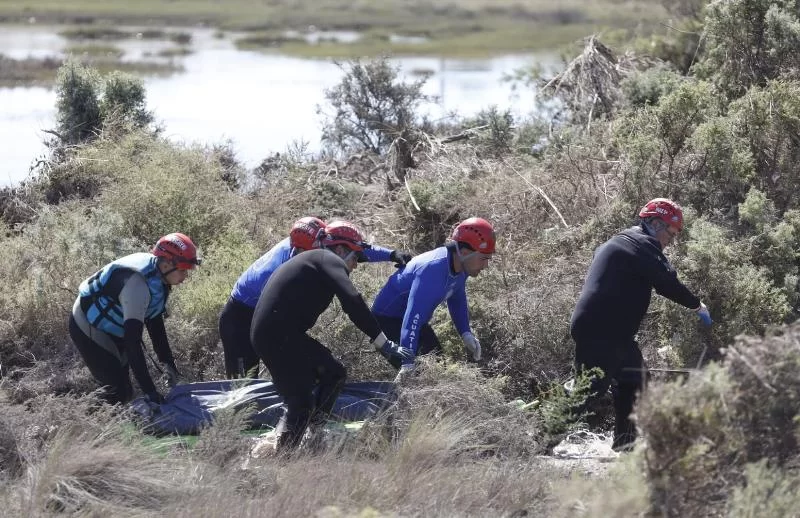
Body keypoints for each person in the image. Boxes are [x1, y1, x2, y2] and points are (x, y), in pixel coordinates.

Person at [250, 220, 409, 450]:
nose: (355, 265)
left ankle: (312, 434)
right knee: (301, 400)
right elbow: (352, 301)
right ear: (341, 250)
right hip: (277, 335)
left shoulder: (318, 261)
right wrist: (383, 343)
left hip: (276, 334)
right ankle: (287, 456)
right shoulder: (328, 259)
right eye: (355, 258)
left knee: (332, 373)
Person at [570, 198, 713, 451]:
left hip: (612, 332)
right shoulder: (642, 244)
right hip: (603, 330)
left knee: (635, 382)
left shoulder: (621, 242)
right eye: (671, 232)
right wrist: (696, 305)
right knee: (589, 389)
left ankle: (625, 447)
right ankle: (539, 442)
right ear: (655, 223)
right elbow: (667, 283)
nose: (671, 240)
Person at [219, 217, 412, 378]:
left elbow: (349, 248)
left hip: (264, 320)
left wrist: (391, 255)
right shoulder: (284, 267)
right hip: (241, 318)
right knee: (243, 385)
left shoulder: (316, 239)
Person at [69, 233, 200, 405]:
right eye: (183, 270)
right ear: (167, 264)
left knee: (124, 391)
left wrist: (169, 365)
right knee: (117, 392)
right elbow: (133, 344)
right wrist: (150, 392)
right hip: (88, 324)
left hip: (113, 328)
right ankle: (81, 424)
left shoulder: (159, 275)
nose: (185, 276)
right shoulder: (138, 286)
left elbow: (155, 324)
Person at [371, 217, 496, 369]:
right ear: (463, 252)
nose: (486, 265)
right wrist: (407, 363)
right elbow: (412, 319)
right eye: (483, 258)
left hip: (412, 321)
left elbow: (457, 298)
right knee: (419, 375)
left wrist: (465, 333)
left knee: (439, 368)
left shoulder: (462, 265)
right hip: (386, 322)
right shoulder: (432, 270)